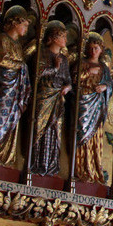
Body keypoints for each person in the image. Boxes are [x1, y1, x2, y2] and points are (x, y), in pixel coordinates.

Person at [0, 5, 33, 167]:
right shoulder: (2, 38)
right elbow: (1, 60)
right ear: (14, 23)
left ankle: (5, 156)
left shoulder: (17, 44)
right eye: (24, 25)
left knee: (13, 120)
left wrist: (21, 65)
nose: (26, 28)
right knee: (0, 119)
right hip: (4, 86)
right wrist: (21, 65)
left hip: (15, 88)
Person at [29, 21, 72, 176]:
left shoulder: (64, 59)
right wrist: (54, 67)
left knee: (55, 129)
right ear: (54, 38)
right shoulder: (42, 53)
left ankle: (51, 165)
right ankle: (37, 164)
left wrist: (68, 87)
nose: (65, 41)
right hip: (44, 95)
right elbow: (37, 74)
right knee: (41, 127)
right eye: (63, 37)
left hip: (58, 98)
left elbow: (68, 80)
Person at [73, 32, 113, 184]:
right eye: (90, 48)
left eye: (96, 48)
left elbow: (110, 85)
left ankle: (94, 169)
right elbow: (74, 80)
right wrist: (88, 72)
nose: (93, 51)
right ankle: (81, 169)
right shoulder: (82, 63)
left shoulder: (104, 68)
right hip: (84, 103)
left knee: (96, 137)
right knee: (82, 135)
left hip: (97, 106)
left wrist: (104, 87)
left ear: (101, 50)